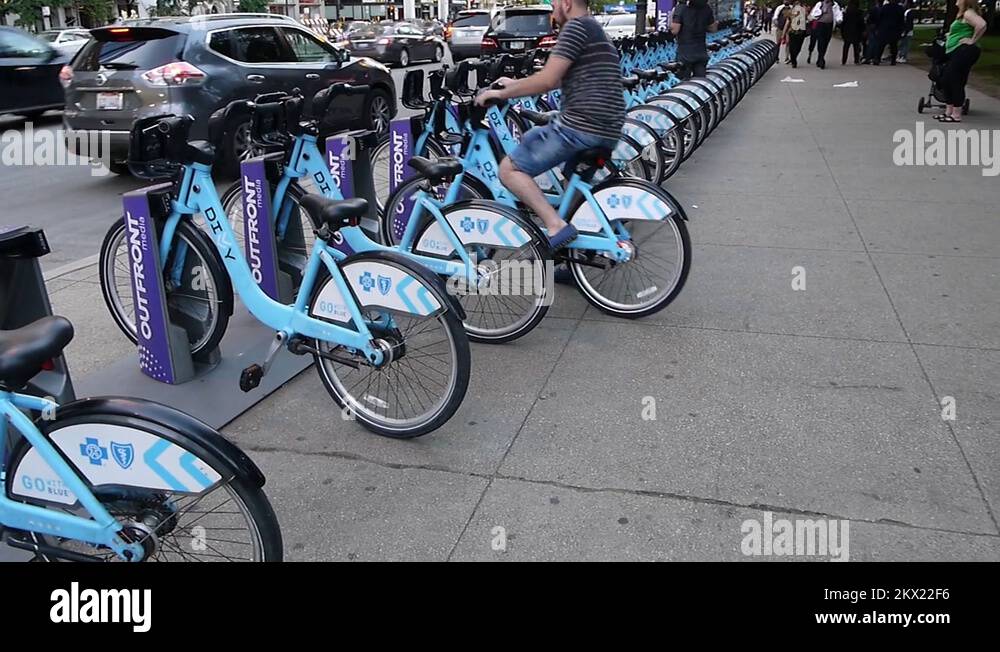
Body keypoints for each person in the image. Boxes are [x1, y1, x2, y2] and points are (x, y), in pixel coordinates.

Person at [474, 0, 624, 249]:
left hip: (580, 127)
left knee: (510, 171)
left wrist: (500, 94)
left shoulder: (576, 28)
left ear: (566, 3)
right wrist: (513, 84)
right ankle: (577, 255)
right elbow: (555, 79)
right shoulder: (597, 31)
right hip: (607, 128)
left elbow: (547, 80)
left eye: (554, 3)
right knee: (572, 182)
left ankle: (555, 226)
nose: (553, 11)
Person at [935, 0, 987, 123]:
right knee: (947, 79)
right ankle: (949, 111)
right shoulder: (963, 14)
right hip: (957, 51)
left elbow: (982, 24)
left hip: (964, 51)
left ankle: (956, 114)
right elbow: (961, 31)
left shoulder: (968, 13)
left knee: (954, 80)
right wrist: (950, 35)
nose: (956, 1)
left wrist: (972, 40)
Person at [671, 0, 719, 79]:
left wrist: (671, 17)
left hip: (685, 53)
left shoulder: (681, 8)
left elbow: (674, 30)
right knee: (700, 83)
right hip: (701, 51)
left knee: (683, 85)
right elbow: (713, 29)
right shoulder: (706, 8)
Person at [808, 0, 843, 69]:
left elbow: (838, 13)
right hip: (821, 25)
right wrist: (821, 11)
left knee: (826, 42)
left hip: (829, 25)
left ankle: (821, 57)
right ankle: (821, 59)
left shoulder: (834, 5)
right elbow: (813, 14)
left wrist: (839, 19)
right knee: (821, 41)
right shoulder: (820, 4)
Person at [873, 0, 904, 65]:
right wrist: (901, 30)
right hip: (894, 29)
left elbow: (879, 18)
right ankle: (893, 60)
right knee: (893, 46)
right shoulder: (900, 8)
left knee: (881, 45)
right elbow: (901, 20)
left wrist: (877, 27)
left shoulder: (885, 7)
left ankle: (877, 59)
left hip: (884, 28)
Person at [782, 0, 810, 68]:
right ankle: (793, 61)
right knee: (792, 47)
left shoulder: (804, 13)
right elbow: (787, 24)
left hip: (801, 33)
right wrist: (783, 34)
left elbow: (809, 18)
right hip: (792, 32)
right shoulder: (790, 13)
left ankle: (794, 58)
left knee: (798, 48)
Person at [840, 0, 865, 64]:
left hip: (847, 31)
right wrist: (863, 30)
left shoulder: (847, 12)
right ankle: (856, 60)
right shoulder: (859, 13)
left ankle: (844, 60)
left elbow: (843, 23)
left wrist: (842, 31)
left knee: (846, 46)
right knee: (856, 46)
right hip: (856, 31)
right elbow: (862, 23)